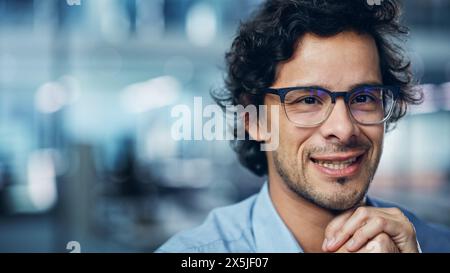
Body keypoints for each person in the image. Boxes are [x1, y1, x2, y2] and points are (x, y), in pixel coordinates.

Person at [157, 0, 450, 253]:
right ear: (255, 120)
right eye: (309, 99)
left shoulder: (435, 245)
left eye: (363, 97)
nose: (344, 128)